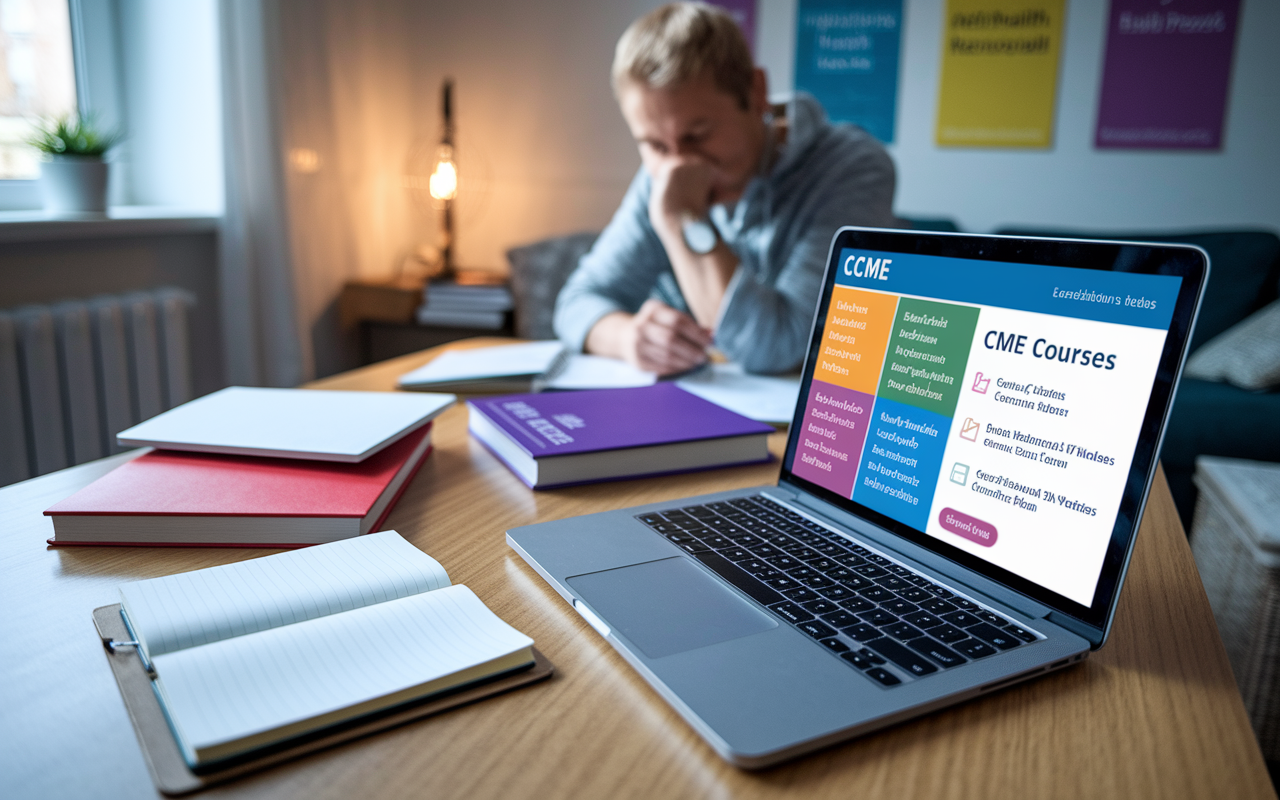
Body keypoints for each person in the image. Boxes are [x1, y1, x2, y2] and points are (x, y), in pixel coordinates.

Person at [553, 1, 898, 376]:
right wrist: (628, 338)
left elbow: (782, 346)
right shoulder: (666, 175)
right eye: (654, 145)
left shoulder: (853, 168)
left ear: (756, 92)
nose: (679, 164)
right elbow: (576, 302)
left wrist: (682, 222)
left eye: (698, 135)